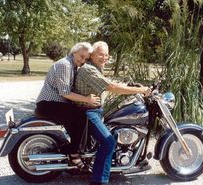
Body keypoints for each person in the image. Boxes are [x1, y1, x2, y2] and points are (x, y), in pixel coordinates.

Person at [74, 41, 151, 185]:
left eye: (106, 55)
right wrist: (141, 90)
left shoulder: (95, 69)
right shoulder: (88, 70)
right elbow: (110, 86)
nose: (104, 57)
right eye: (101, 54)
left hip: (93, 111)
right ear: (92, 55)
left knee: (113, 129)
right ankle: (99, 181)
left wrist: (130, 86)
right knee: (109, 141)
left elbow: (107, 82)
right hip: (87, 112)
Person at [35, 42, 101, 169]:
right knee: (81, 115)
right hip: (48, 104)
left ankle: (78, 149)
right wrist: (87, 99)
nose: (83, 60)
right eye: (81, 56)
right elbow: (65, 92)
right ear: (74, 52)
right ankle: (73, 153)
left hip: (55, 103)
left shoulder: (72, 65)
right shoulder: (65, 64)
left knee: (80, 116)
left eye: (86, 58)